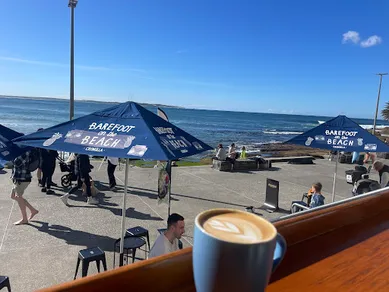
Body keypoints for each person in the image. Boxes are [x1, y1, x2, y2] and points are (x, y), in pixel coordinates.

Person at [10, 149, 39, 225]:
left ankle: (24, 219)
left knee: (19, 198)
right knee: (13, 196)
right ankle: (33, 210)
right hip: (18, 178)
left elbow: (17, 162)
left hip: (22, 178)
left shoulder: (26, 152)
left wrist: (11, 155)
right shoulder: (22, 151)